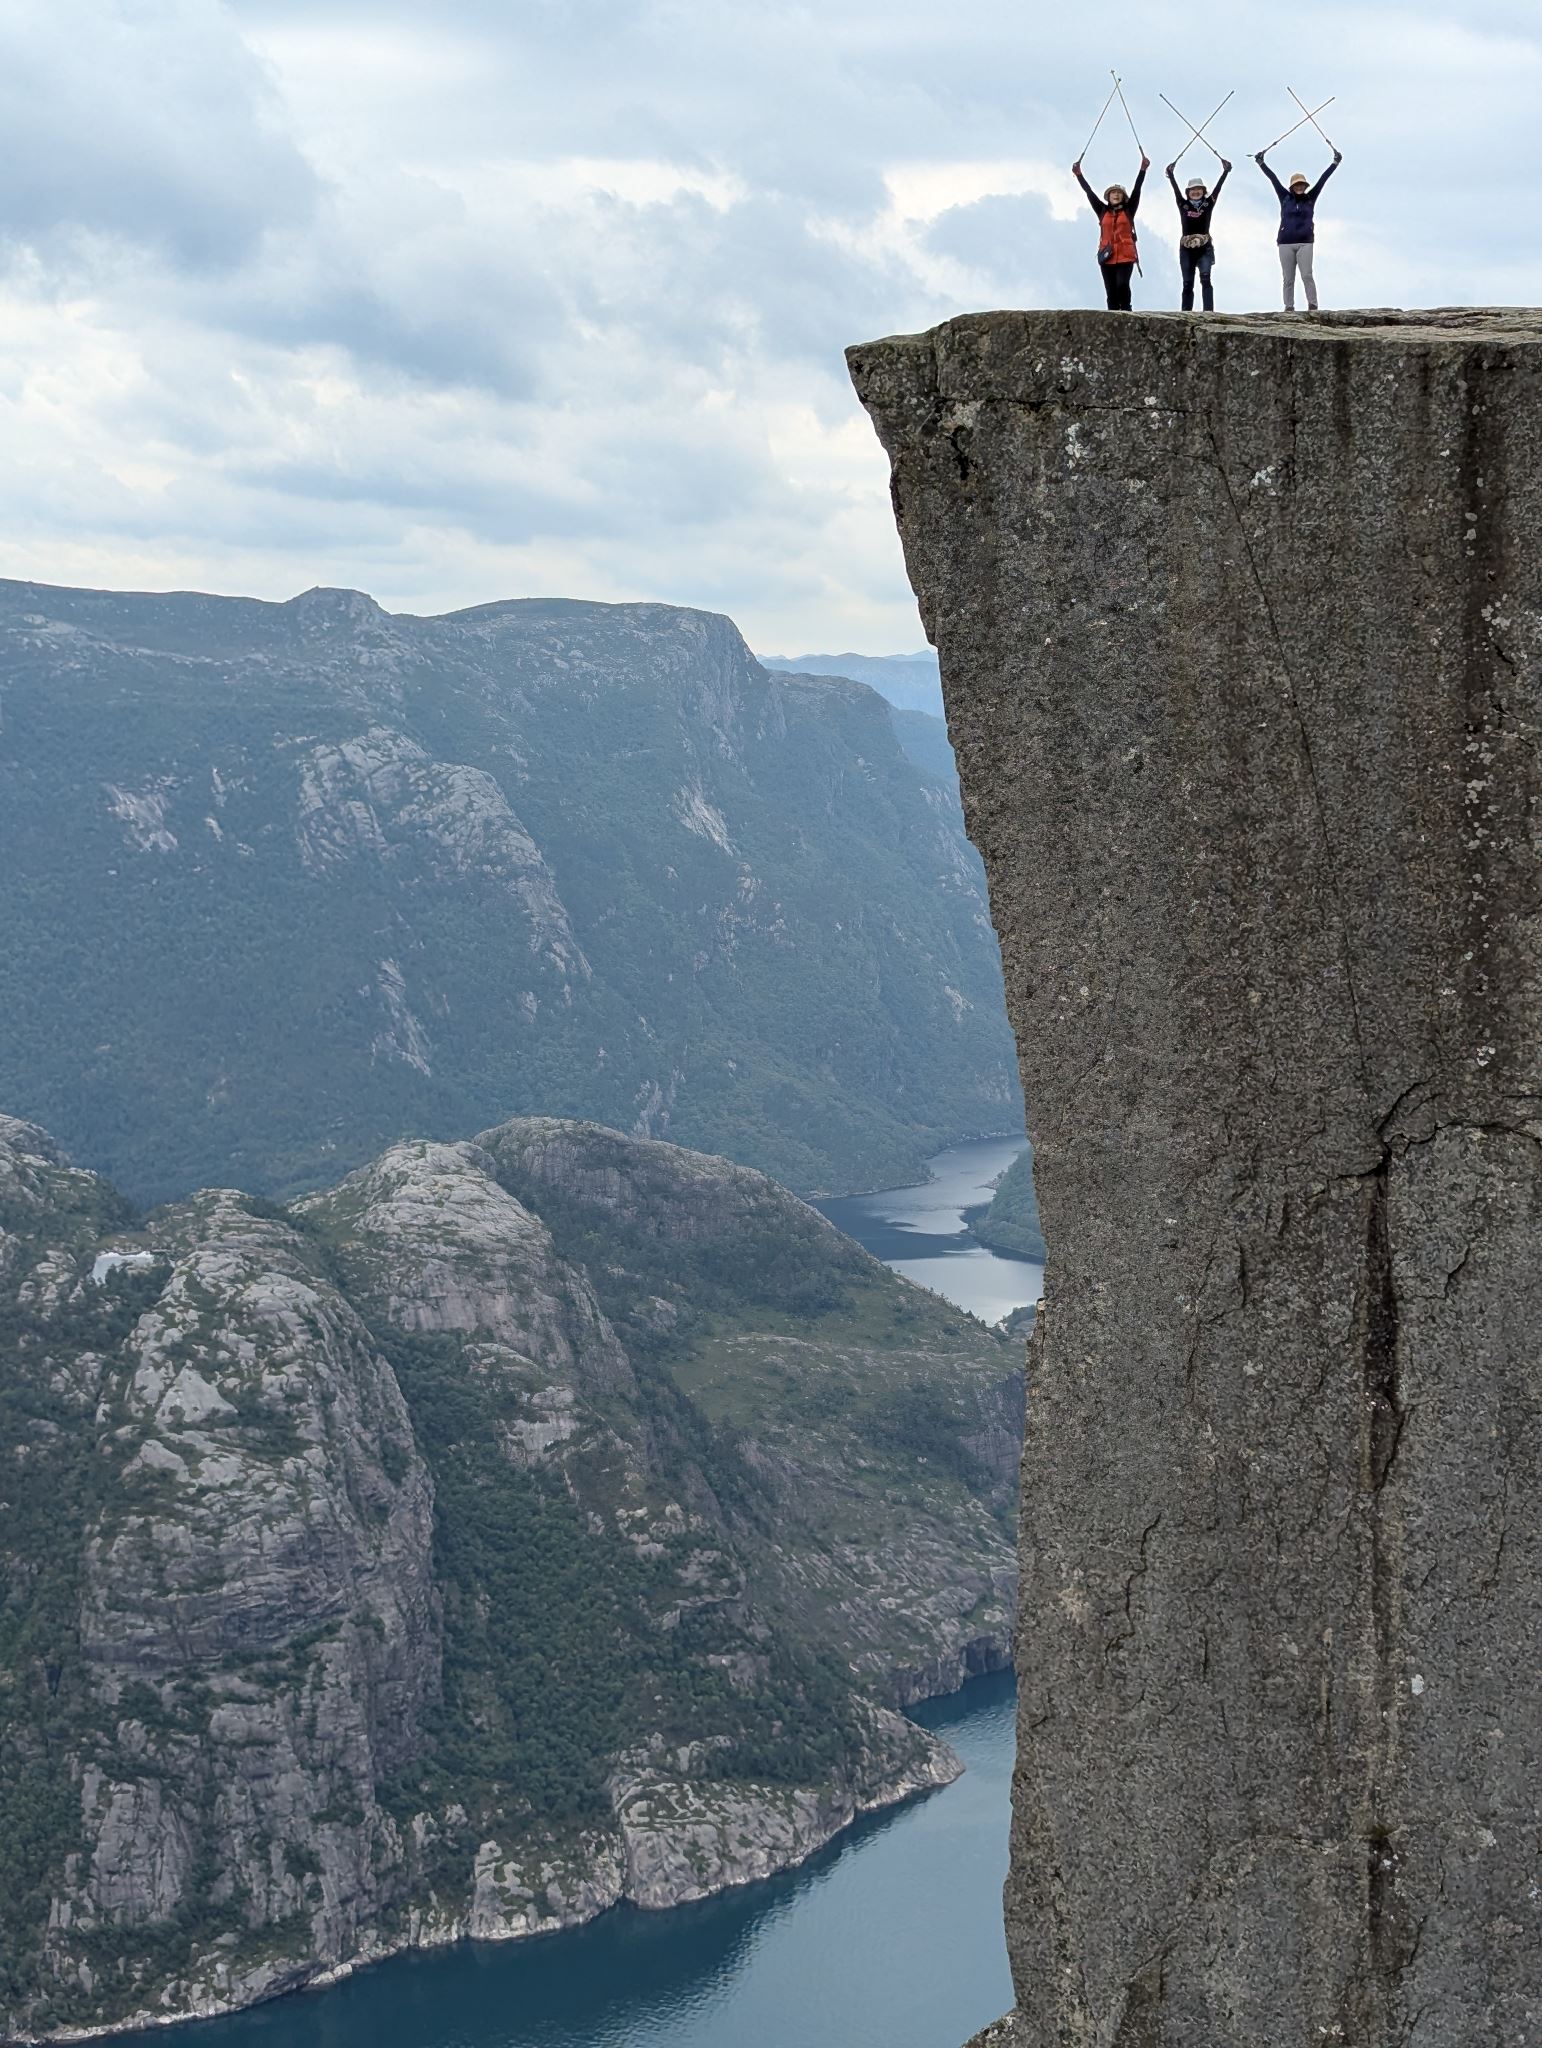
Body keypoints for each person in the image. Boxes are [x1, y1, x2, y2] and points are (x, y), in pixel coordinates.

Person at [1254, 150, 1343, 312]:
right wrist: (1261, 163)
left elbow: (1323, 179)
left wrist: (1335, 163)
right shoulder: (1285, 198)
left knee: (1307, 275)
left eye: (1302, 184)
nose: (1300, 187)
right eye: (1297, 185)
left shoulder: (1310, 198)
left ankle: (1313, 305)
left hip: (1305, 242)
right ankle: (1289, 307)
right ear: (1292, 187)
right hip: (1285, 243)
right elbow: (1273, 179)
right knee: (1288, 278)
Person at [1072, 156, 1150, 312]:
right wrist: (1079, 175)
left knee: (1122, 284)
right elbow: (1089, 193)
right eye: (1113, 193)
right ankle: (1113, 317)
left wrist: (1143, 170)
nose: (1115, 194)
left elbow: (1137, 190)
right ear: (1108, 197)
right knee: (1111, 292)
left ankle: (1127, 310)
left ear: (1123, 196)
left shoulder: (1129, 210)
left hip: (1126, 254)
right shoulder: (1102, 210)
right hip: (1107, 254)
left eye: (1119, 193)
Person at [1165, 157, 1231, 312]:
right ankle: (1185, 313)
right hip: (1186, 248)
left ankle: (1209, 313)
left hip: (1204, 247)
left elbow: (1218, 189)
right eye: (1192, 190)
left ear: (1203, 191)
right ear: (1188, 192)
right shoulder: (1183, 204)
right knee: (1187, 282)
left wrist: (1225, 171)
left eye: (1199, 189)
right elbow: (1175, 190)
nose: (1195, 192)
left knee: (1206, 278)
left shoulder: (1208, 204)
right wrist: (1171, 175)